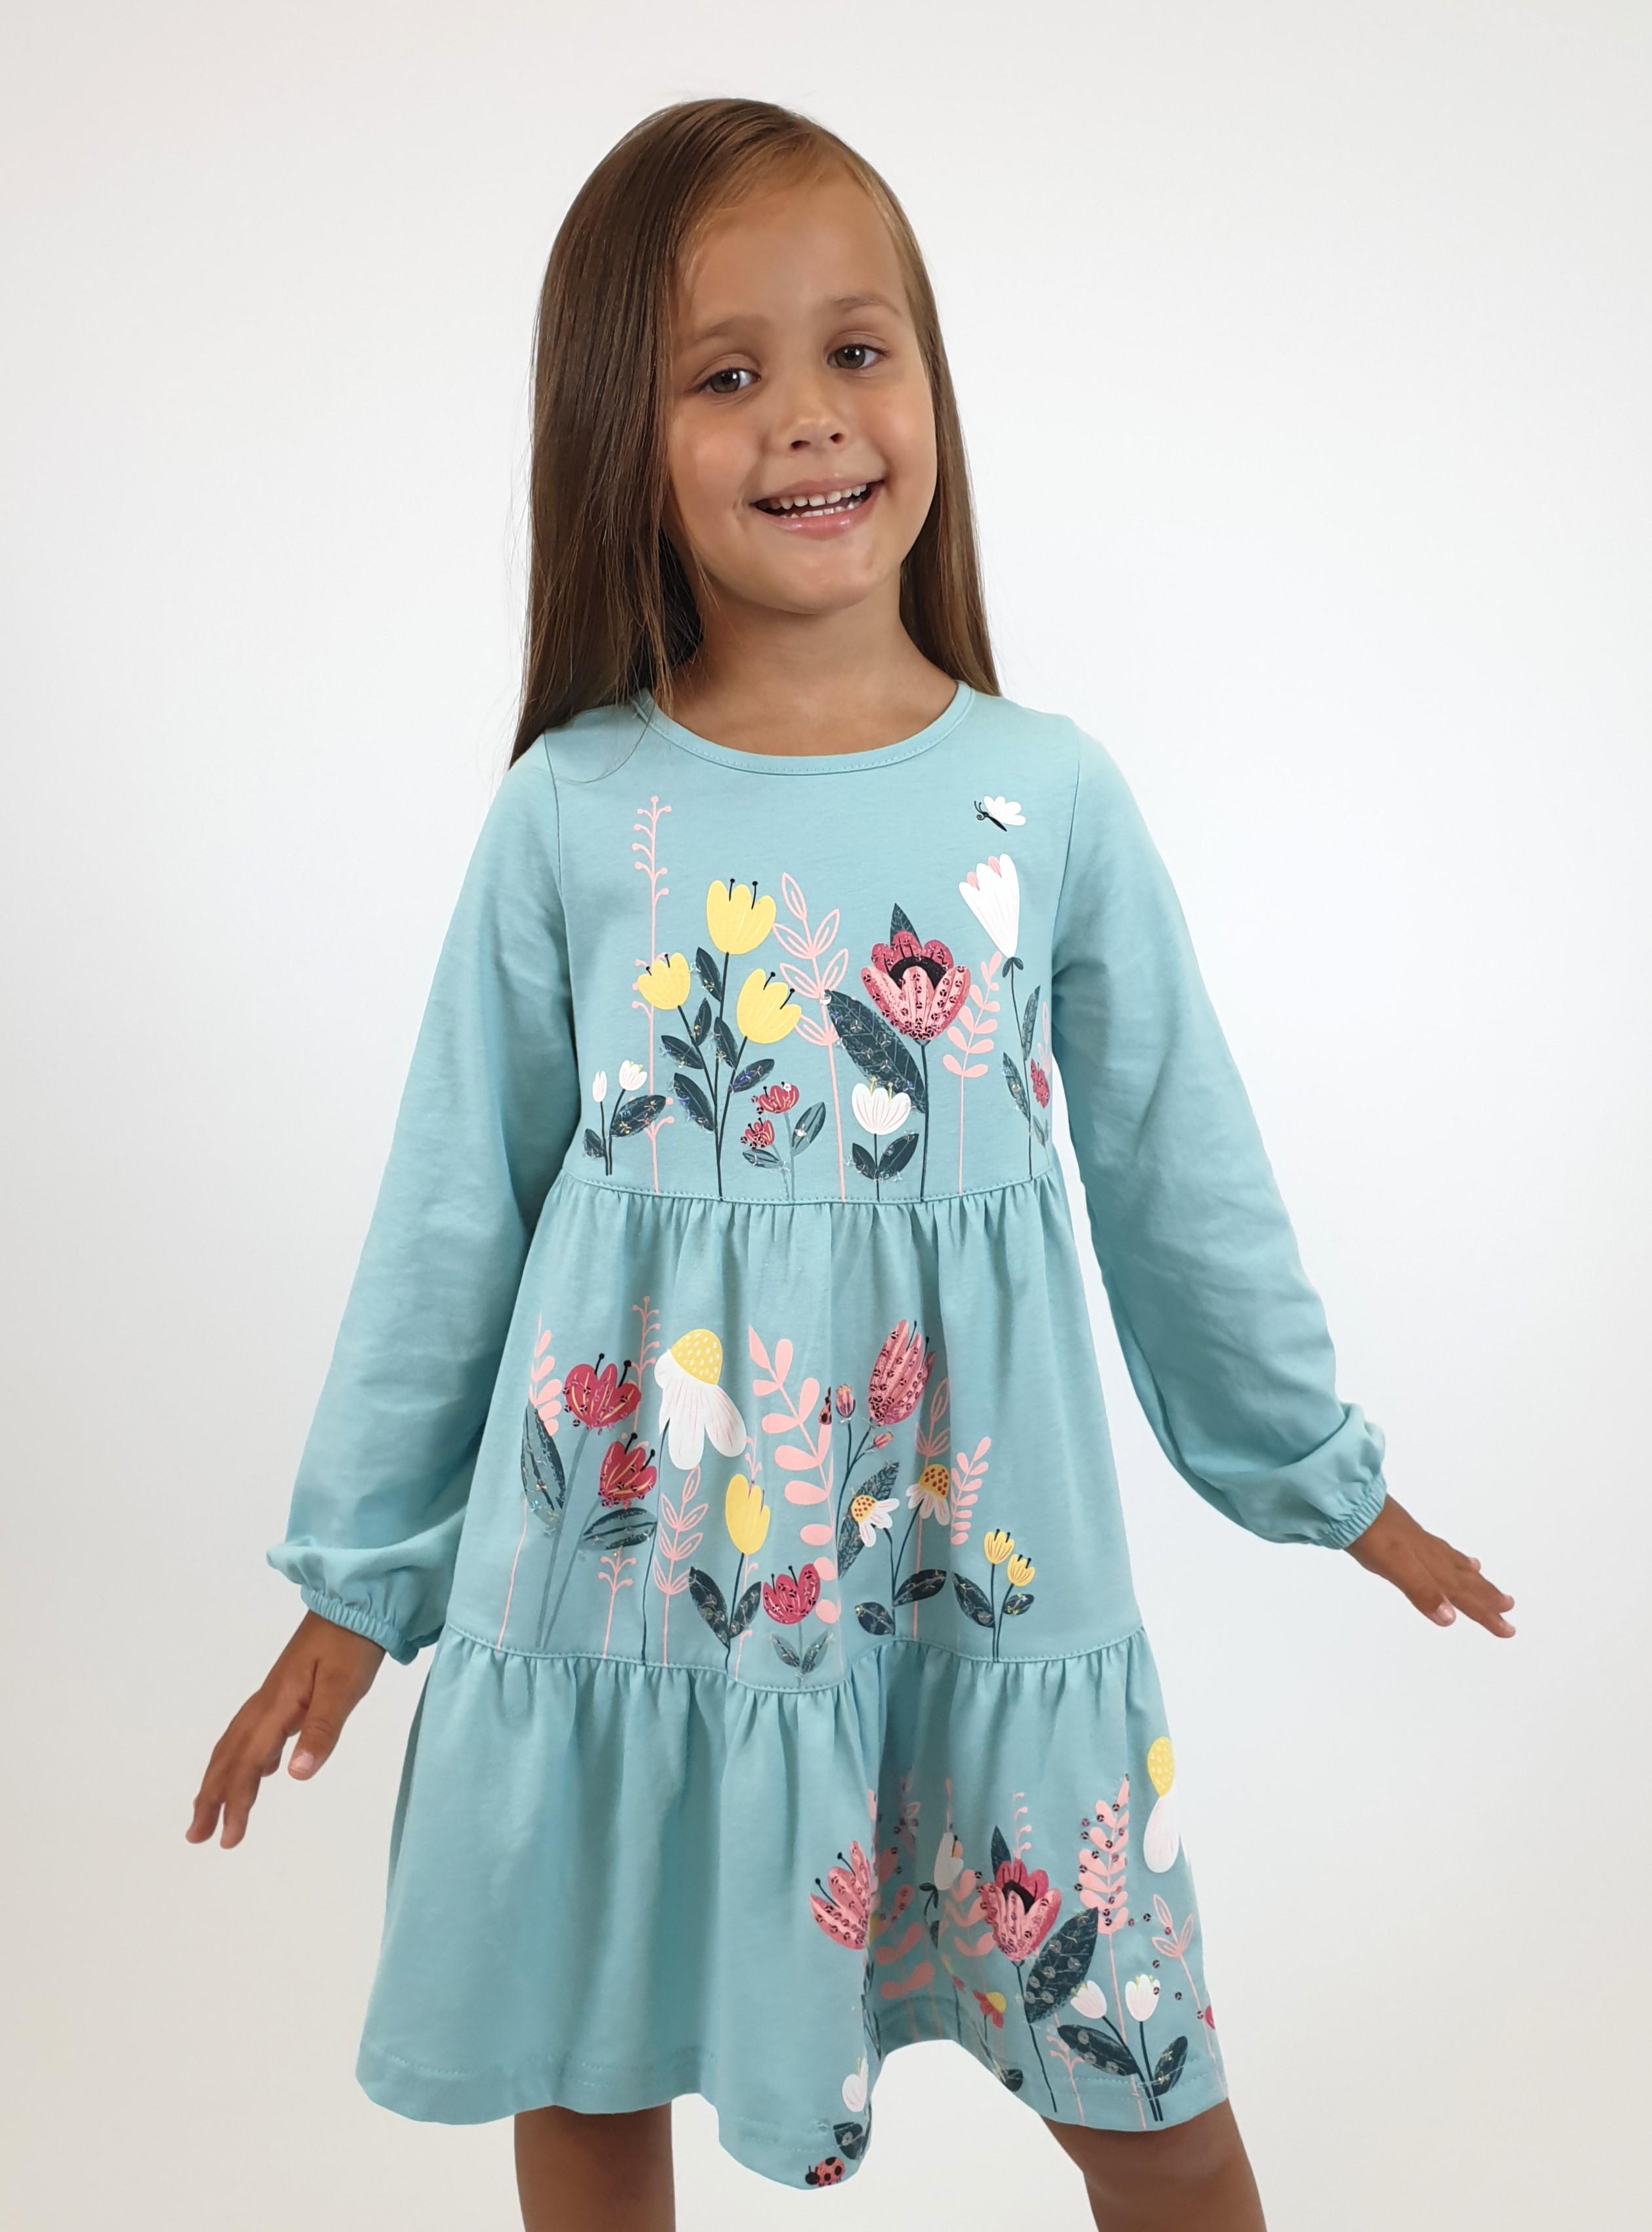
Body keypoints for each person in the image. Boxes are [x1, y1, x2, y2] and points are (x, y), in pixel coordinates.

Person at [187, 97, 1515, 2231]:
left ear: (929, 387)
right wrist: (355, 1593)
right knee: (588, 2055)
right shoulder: (574, 811)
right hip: (624, 1578)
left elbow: (1182, 1173)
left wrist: (1324, 1480)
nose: (808, 416)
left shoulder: (1048, 796)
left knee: (1144, 2079)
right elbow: (452, 1214)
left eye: (857, 350)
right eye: (727, 373)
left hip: (973, 1579)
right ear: (623, 438)